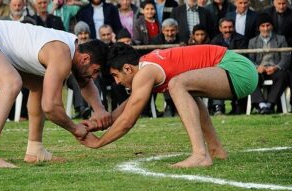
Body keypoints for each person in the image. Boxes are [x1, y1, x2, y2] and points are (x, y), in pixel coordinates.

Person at [0, 20, 111, 168]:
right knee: (11, 83)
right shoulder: (61, 53)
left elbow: (85, 83)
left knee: (39, 84)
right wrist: (75, 129)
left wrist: (99, 110)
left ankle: (35, 150)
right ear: (85, 58)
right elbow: (50, 107)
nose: (95, 76)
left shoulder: (72, 51)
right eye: (96, 70)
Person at [79, 43, 258, 168]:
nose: (117, 82)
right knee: (186, 90)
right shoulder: (146, 68)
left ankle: (200, 155)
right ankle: (215, 150)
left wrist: (99, 142)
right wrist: (100, 123)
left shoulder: (146, 72)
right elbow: (129, 106)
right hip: (239, 68)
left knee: (177, 84)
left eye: (115, 75)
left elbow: (128, 120)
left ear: (127, 68)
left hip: (237, 70)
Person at [248, 13, 290, 114]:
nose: (266, 28)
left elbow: (286, 58)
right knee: (250, 77)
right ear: (259, 28)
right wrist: (257, 67)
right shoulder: (252, 42)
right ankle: (261, 104)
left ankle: (269, 104)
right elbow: (250, 60)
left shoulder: (281, 39)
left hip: (275, 70)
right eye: (263, 26)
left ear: (272, 26)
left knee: (283, 75)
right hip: (260, 70)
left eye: (268, 25)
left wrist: (276, 67)